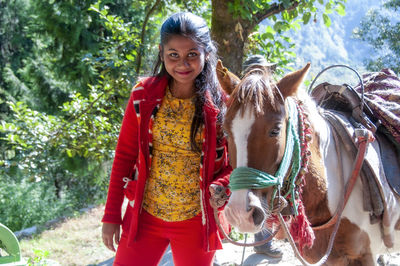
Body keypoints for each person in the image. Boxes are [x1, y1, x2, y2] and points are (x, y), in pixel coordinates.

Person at [101, 12, 231, 266]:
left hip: (197, 221)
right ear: (162, 53)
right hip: (144, 217)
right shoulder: (142, 96)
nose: (183, 63)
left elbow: (236, 162)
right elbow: (125, 157)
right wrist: (111, 216)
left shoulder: (222, 105)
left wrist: (222, 184)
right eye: (174, 55)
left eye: (192, 54)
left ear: (206, 53)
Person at [242, 55, 283, 259]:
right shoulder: (243, 97)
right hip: (249, 156)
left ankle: (264, 240)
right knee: (256, 193)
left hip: (265, 153)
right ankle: (263, 242)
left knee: (263, 194)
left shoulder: (272, 96)